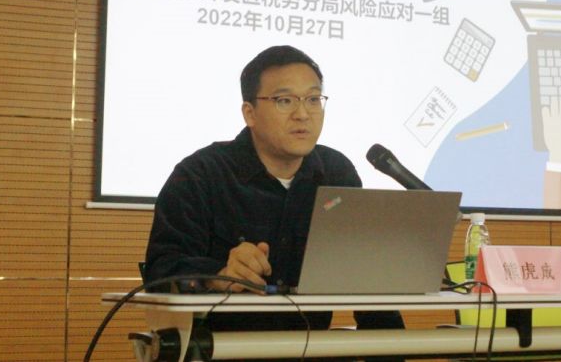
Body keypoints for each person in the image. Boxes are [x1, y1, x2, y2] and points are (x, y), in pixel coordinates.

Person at [144, 45, 405, 334]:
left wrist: (390, 346)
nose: (302, 114)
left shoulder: (336, 173)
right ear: (250, 113)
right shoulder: (200, 175)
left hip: (314, 349)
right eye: (284, 101)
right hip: (222, 349)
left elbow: (362, 271)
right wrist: (217, 275)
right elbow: (160, 272)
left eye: (313, 99)